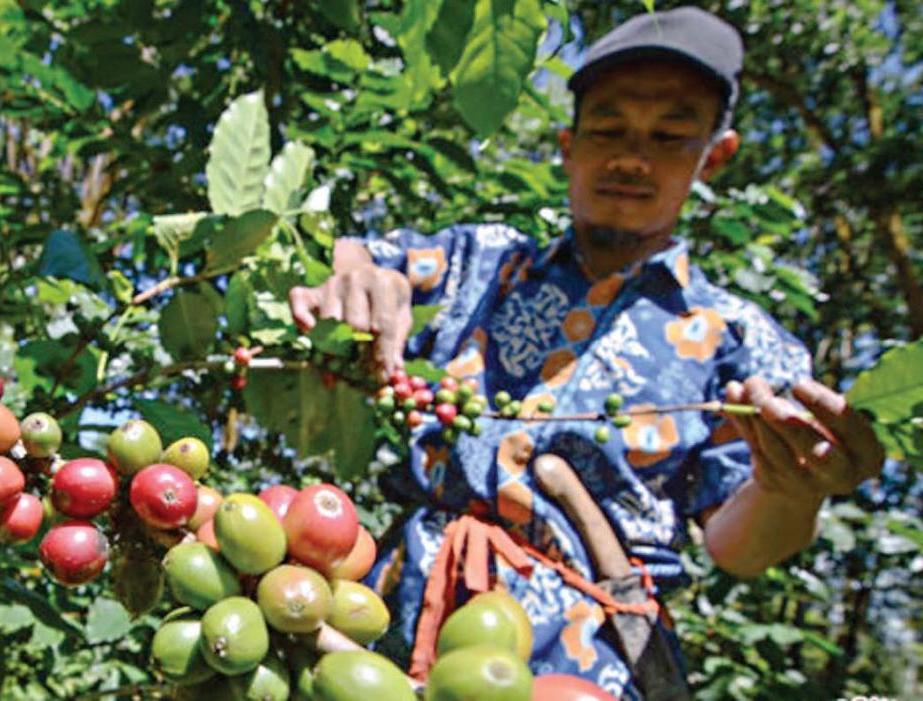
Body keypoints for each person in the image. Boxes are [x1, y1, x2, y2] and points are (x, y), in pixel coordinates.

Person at [289, 7, 884, 699]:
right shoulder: (480, 266)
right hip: (386, 623)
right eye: (609, 129)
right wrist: (358, 271)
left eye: (669, 135)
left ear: (713, 156)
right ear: (568, 145)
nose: (632, 157)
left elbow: (738, 544)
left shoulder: (738, 338)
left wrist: (791, 489)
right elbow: (362, 261)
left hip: (588, 661)